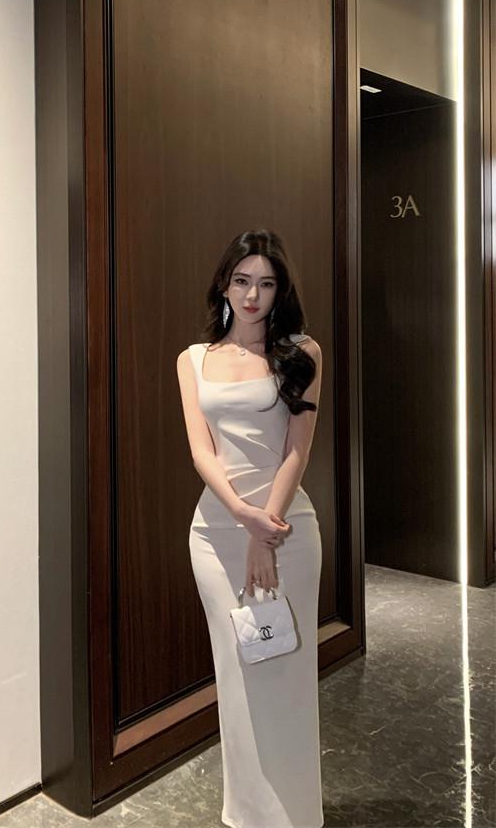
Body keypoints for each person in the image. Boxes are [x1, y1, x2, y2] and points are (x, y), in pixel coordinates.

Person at [177, 229, 324, 828]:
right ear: (224, 285)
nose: (252, 295)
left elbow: (297, 451)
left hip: (288, 531)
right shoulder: (193, 359)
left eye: (265, 283)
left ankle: (296, 817)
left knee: (286, 674)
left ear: (279, 290)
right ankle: (246, 815)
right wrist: (242, 516)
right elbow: (201, 451)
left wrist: (265, 531)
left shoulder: (302, 353)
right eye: (242, 281)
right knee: (237, 675)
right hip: (215, 534)